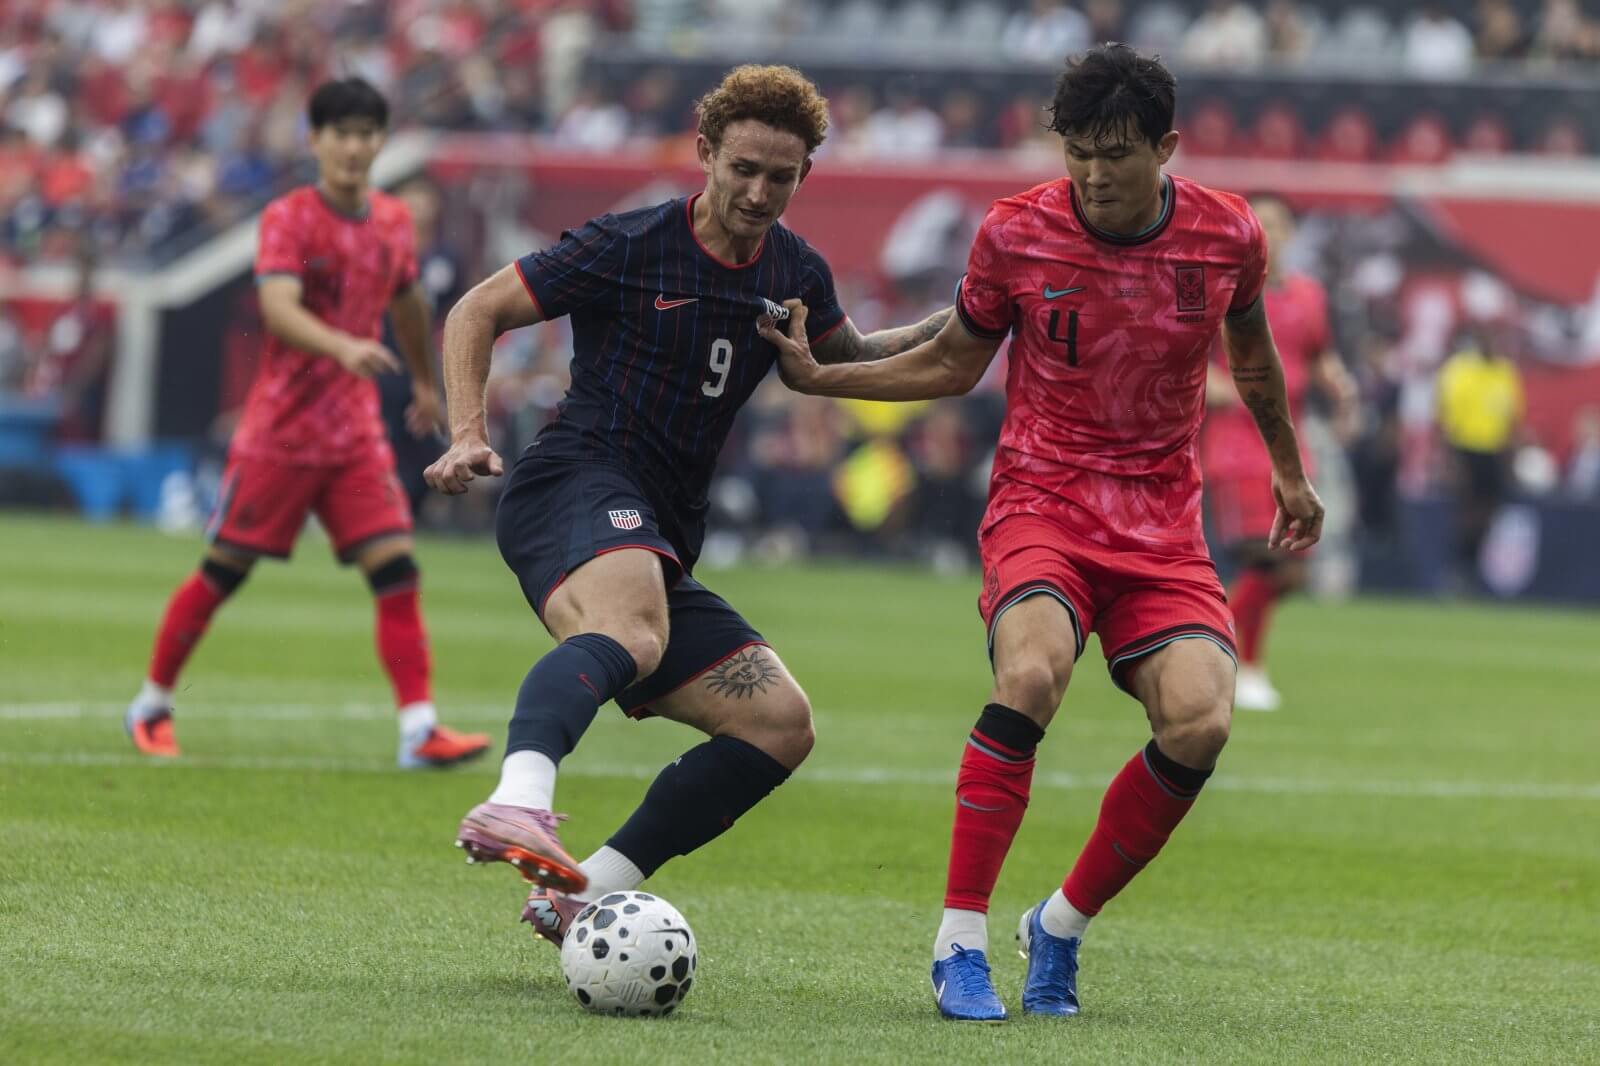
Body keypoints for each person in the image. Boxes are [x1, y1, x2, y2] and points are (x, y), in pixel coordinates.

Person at [764, 44, 1324, 1022]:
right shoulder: (1015, 233)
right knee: (1029, 675)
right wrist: (826, 378)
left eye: (1116, 152)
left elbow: (1256, 359)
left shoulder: (1225, 235)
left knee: (1201, 719)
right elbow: (950, 361)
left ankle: (1057, 926)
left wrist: (1287, 468)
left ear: (1166, 147)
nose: (1095, 173)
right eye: (1077, 152)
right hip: (1042, 502)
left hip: (1159, 523)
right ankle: (959, 942)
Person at [422, 65, 952, 944]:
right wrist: (467, 430)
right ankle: (517, 800)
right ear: (704, 154)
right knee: (635, 633)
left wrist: (967, 315)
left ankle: (584, 890)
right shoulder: (629, 243)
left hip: (661, 533)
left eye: (779, 177)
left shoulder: (794, 271)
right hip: (575, 481)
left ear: (803, 176)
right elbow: (476, 310)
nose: (757, 191)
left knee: (779, 725)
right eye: (741, 167)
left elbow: (846, 357)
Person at [124, 78, 491, 769]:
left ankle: (419, 730)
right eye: (341, 133)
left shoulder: (390, 221)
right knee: (223, 571)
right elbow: (278, 308)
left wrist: (422, 379)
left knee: (398, 570)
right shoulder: (289, 217)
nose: (354, 147)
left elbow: (410, 301)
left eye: (366, 134)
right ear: (316, 140)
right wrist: (343, 344)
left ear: (379, 141)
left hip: (354, 438)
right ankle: (150, 705)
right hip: (282, 434)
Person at [1201, 192, 1356, 711]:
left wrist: (1339, 385)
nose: (1267, 234)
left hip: (1289, 447)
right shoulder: (1224, 291)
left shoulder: (1309, 295)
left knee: (1292, 569)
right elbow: (1186, 349)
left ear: (1290, 233)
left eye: (1276, 225)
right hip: (1238, 445)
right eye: (1257, 224)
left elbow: (1318, 353)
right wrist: (1209, 381)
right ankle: (1244, 666)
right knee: (1270, 563)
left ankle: (1204, 634)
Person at [1436, 330, 1523, 592]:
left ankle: (1469, 565)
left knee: (1488, 512)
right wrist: (1451, 458)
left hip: (1493, 452)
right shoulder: (1460, 370)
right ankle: (1459, 567)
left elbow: (1513, 418)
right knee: (1467, 511)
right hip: (1466, 448)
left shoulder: (1506, 373)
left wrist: (1510, 457)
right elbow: (1446, 415)